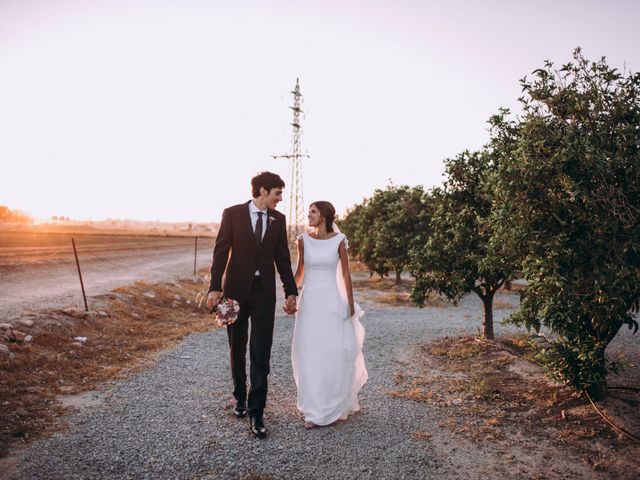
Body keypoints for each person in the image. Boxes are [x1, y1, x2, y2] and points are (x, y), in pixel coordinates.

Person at [207, 171, 298, 439]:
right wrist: (215, 287)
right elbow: (221, 252)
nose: (280, 199)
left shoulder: (278, 220)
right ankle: (240, 399)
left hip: (263, 294)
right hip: (234, 292)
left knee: (261, 351)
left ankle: (257, 412)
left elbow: (282, 258)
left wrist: (291, 290)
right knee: (237, 346)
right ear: (261, 191)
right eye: (277, 193)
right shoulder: (232, 214)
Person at [291, 201, 368, 429]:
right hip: (310, 302)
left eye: (313, 212)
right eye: (309, 212)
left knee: (331, 352)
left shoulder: (339, 241)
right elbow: (299, 272)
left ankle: (332, 405)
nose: (308, 215)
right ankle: (312, 411)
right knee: (309, 352)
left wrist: (350, 304)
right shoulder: (303, 240)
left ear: (323, 216)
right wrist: (289, 295)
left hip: (332, 302)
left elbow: (345, 274)